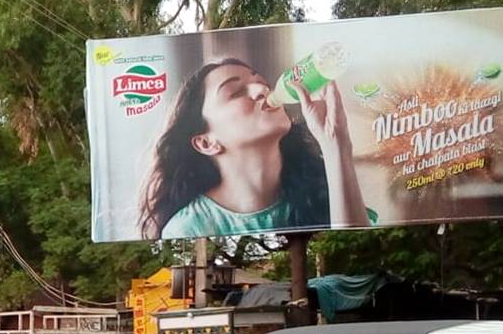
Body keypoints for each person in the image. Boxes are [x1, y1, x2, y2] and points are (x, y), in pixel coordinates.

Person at [140, 59, 374, 239]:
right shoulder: (189, 229)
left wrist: (336, 147)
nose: (262, 90)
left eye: (260, 81)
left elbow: (362, 264)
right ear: (206, 143)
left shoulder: (321, 192)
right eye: (235, 92)